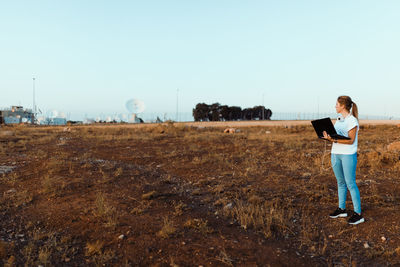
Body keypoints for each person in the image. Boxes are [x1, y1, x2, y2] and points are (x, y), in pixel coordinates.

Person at [323, 95, 364, 225]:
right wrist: (327, 137)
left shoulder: (352, 121)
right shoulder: (339, 120)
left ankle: (358, 214)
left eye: (336, 104)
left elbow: (351, 140)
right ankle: (342, 209)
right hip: (335, 153)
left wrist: (333, 140)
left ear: (343, 106)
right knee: (340, 182)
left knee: (350, 183)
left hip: (348, 155)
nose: (335, 106)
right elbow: (336, 137)